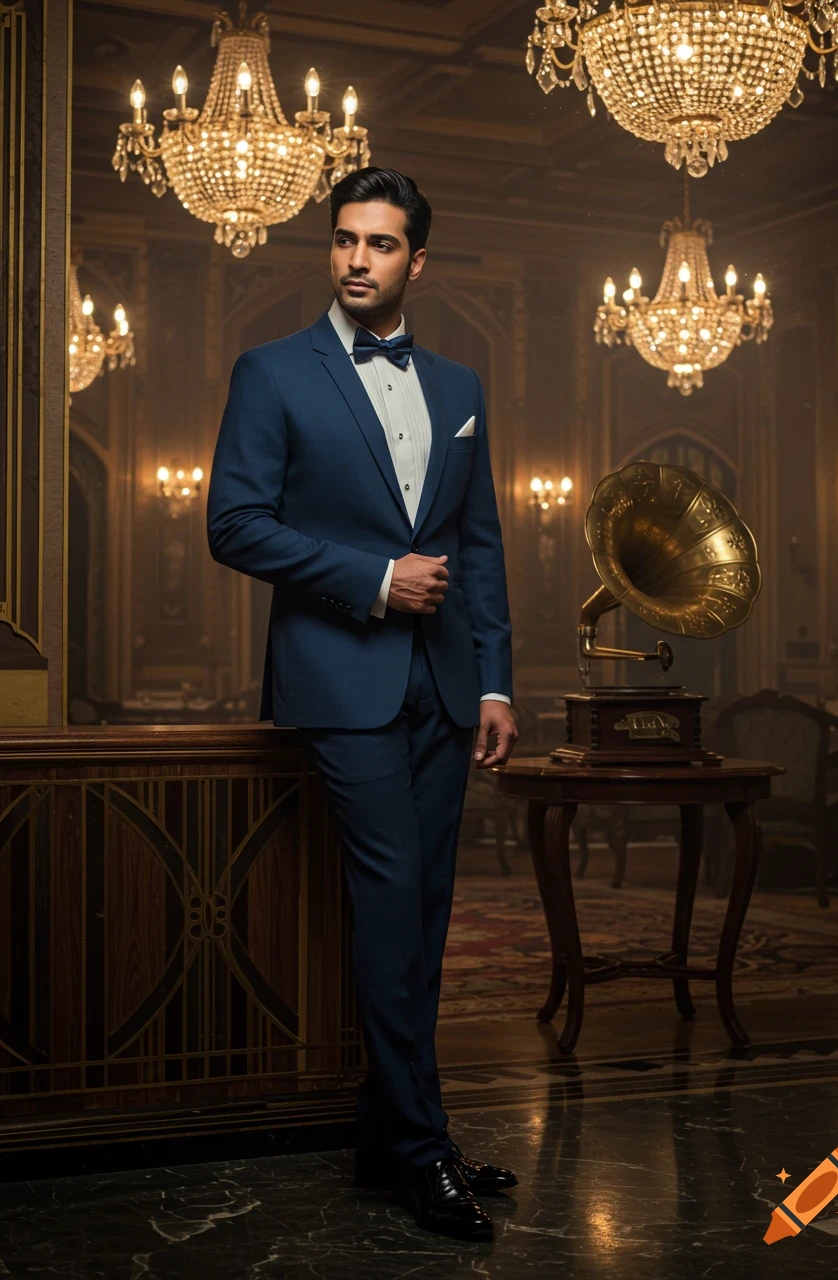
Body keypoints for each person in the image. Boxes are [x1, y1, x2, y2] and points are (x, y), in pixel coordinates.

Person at [207, 167, 518, 1242]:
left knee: (425, 919)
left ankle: (391, 1135)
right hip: (341, 681)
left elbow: (478, 548)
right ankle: (422, 1151)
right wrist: (377, 578)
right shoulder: (271, 372)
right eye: (343, 239)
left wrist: (490, 677)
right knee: (389, 911)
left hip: (440, 685)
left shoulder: (461, 386)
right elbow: (233, 525)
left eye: (380, 245)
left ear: (414, 261)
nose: (355, 259)